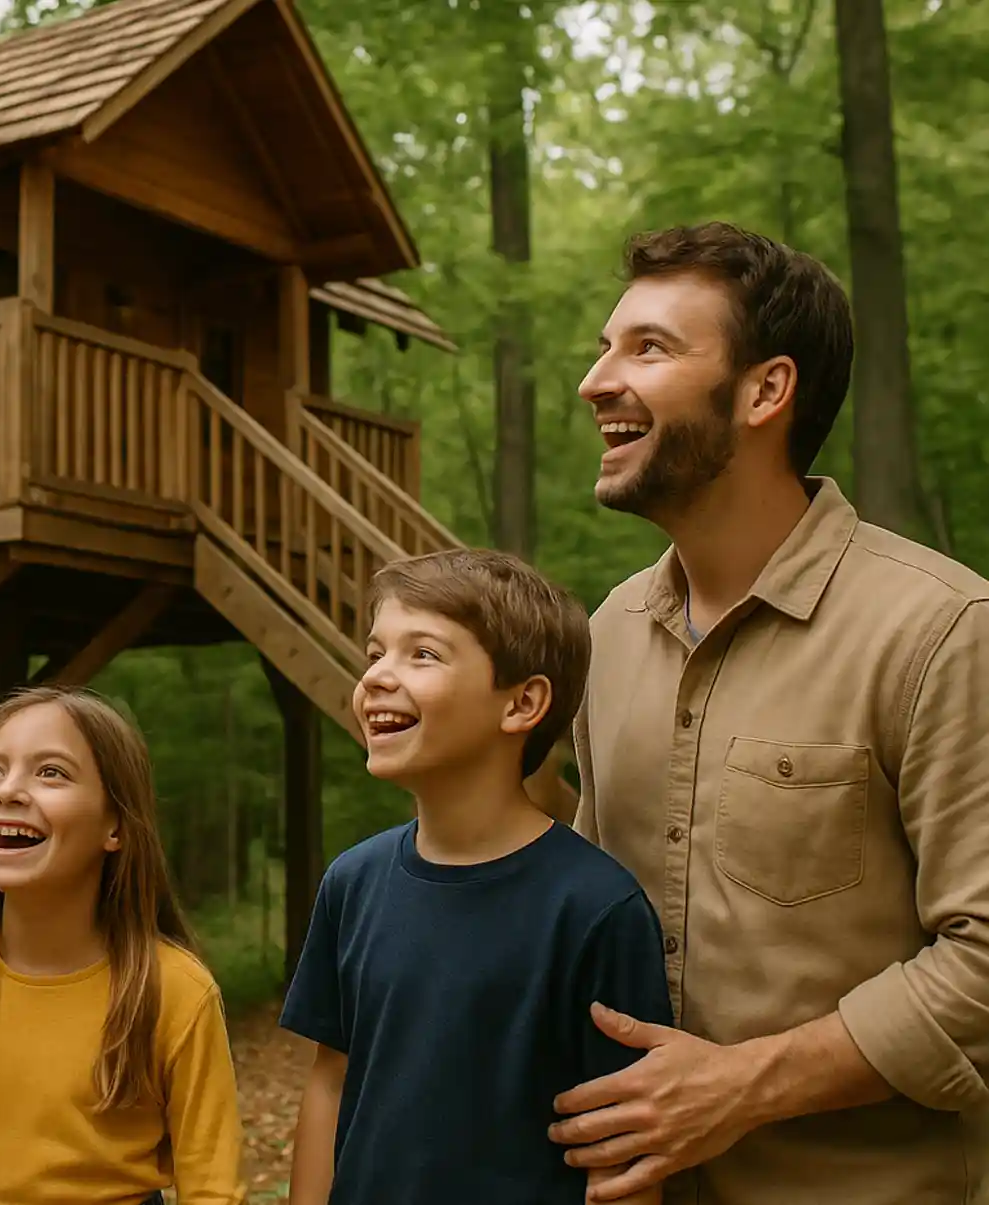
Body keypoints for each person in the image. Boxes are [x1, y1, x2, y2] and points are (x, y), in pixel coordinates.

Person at [555, 222, 989, 1205]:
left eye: (648, 347)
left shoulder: (942, 629)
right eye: (602, 346)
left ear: (764, 390)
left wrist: (737, 1088)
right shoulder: (608, 634)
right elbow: (579, 915)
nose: (595, 381)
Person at [281, 548, 674, 1205]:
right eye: (375, 651)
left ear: (521, 703)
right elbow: (330, 1081)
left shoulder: (594, 907)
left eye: (422, 654)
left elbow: (626, 1147)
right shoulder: (351, 882)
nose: (377, 674)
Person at [0, 685, 245, 1205]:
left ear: (116, 826)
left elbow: (213, 1190)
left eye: (51, 772)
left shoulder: (176, 990)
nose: (7, 791)